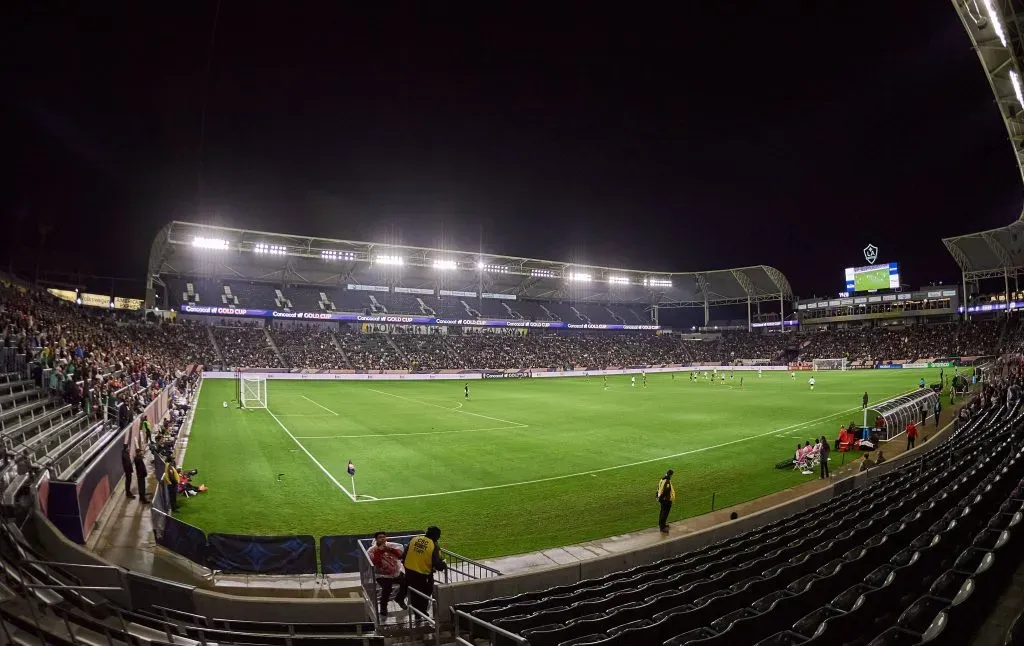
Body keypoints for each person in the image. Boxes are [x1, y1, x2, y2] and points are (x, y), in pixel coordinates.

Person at [401, 527, 446, 619]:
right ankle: (421, 612)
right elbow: (436, 563)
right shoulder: (433, 545)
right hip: (423, 573)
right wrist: (443, 565)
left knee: (414, 592)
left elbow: (404, 555)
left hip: (409, 570)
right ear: (436, 536)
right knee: (426, 592)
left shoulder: (415, 539)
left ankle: (417, 613)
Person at [368, 532, 406, 617]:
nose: (382, 539)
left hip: (396, 573)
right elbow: (375, 562)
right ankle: (383, 608)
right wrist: (379, 551)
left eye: (384, 537)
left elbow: (400, 556)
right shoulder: (372, 550)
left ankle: (399, 599)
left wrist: (390, 550)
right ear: (376, 539)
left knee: (406, 582)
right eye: (380, 537)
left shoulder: (392, 546)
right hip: (381, 575)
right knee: (387, 588)